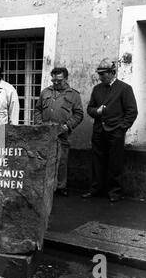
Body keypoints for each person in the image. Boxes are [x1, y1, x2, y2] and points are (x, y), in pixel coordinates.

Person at [82, 58, 138, 203]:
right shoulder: (97, 89)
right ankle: (95, 189)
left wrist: (122, 128)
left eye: (103, 74)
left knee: (115, 163)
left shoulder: (125, 88)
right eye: (99, 74)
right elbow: (90, 109)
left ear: (112, 72)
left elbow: (132, 111)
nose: (100, 77)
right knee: (97, 161)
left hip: (115, 132)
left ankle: (115, 192)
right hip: (99, 131)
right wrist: (97, 112)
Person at [34, 67, 84, 197]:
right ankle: (45, 185)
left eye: (59, 81)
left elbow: (78, 114)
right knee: (44, 160)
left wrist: (68, 126)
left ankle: (61, 187)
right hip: (45, 133)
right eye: (54, 80)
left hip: (62, 133)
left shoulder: (73, 95)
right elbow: (38, 109)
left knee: (61, 161)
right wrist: (39, 124)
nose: (56, 83)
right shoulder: (45, 92)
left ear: (66, 79)